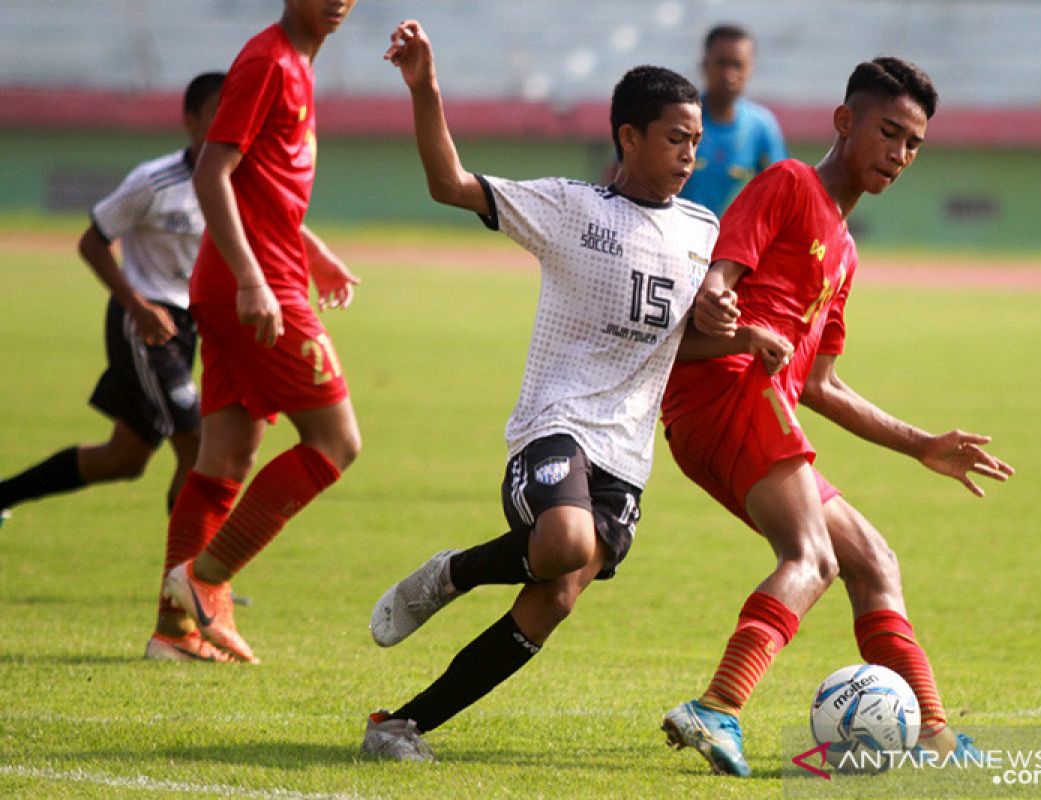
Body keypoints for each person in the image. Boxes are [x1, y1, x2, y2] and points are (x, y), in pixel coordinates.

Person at [360, 19, 718, 762]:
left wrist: (737, 331)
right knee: (562, 543)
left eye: (696, 139)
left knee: (553, 597)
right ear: (629, 137)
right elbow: (448, 183)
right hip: (557, 424)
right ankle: (451, 575)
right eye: (676, 137)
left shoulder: (702, 230)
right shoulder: (570, 209)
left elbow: (690, 339)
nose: (692, 153)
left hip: (629, 452)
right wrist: (426, 86)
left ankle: (402, 726)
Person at [658, 57, 1015, 776]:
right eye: (890, 133)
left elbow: (821, 384)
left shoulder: (845, 250)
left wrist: (922, 445)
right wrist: (723, 306)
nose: (901, 155)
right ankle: (717, 707)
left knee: (873, 560)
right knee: (812, 558)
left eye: (914, 145)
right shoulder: (788, 183)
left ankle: (933, 734)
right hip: (724, 390)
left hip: (759, 404)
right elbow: (718, 284)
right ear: (845, 121)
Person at [161, 0, 363, 665]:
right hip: (255, 287)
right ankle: (204, 579)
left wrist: (312, 251)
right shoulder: (269, 61)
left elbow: (260, 188)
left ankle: (174, 634)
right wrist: (253, 278)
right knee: (336, 440)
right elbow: (210, 172)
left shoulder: (296, 64)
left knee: (223, 460)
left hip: (245, 279)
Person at [0, 75, 226, 656]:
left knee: (124, 458)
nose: (229, 124)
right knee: (197, 451)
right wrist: (139, 305)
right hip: (144, 327)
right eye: (217, 113)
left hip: (191, 328)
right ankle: (188, 593)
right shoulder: (155, 181)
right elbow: (92, 241)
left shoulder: (234, 181)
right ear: (192, 121)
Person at [677, 24, 787, 215]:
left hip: (732, 242)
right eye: (721, 63)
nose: (729, 74)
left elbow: (782, 192)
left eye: (737, 65)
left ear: (750, 68)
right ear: (705, 64)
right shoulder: (679, 117)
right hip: (675, 240)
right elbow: (626, 169)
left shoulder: (761, 126)